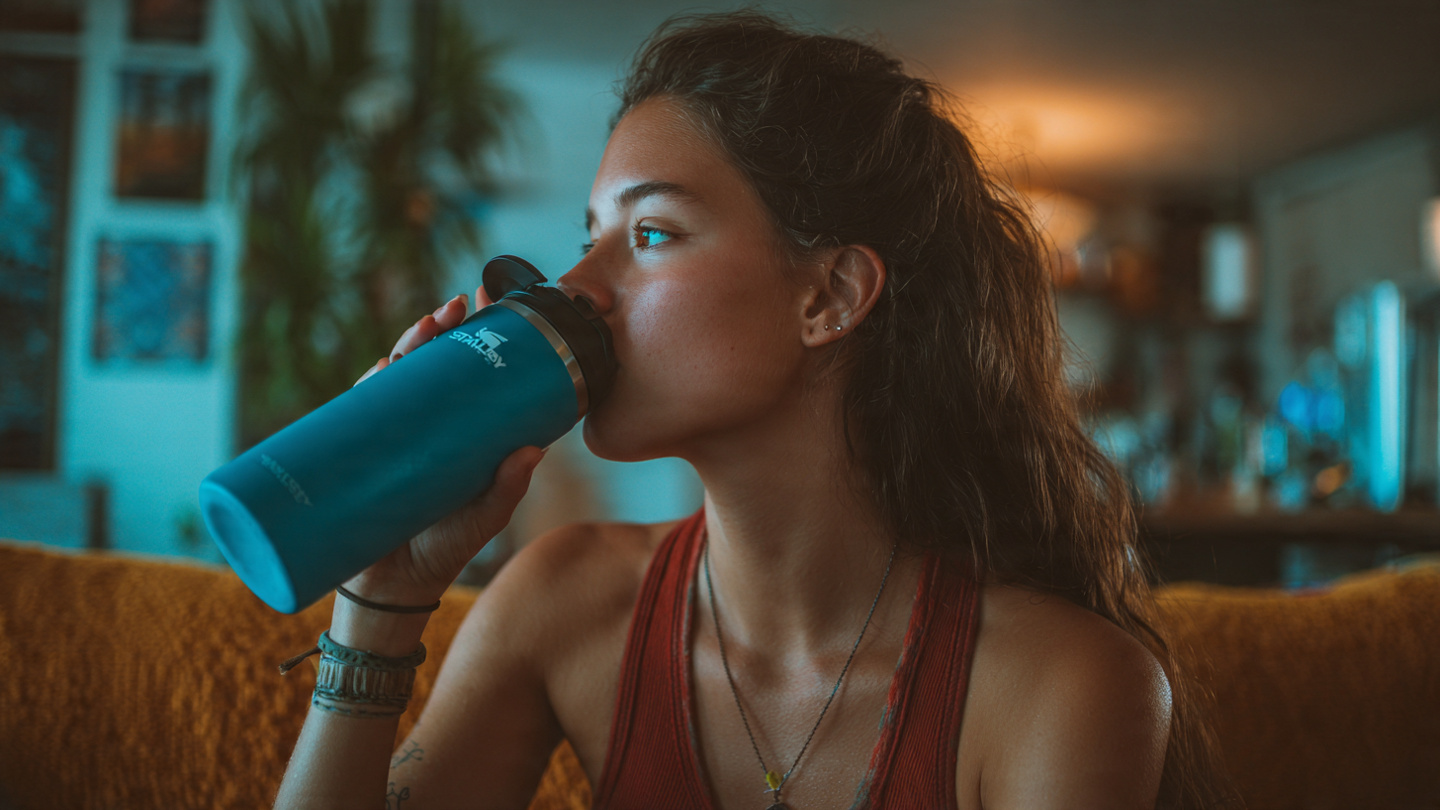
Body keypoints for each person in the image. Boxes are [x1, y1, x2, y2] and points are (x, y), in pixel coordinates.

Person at [275, 11, 1230, 809]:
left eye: (651, 233)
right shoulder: (563, 603)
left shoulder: (1060, 687)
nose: (576, 291)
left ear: (830, 296)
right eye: (590, 238)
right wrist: (382, 601)